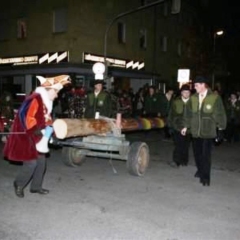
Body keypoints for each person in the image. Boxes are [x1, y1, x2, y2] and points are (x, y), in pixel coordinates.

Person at [3, 75, 71, 198]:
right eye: (56, 92)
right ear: (49, 89)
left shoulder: (46, 102)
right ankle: (19, 183)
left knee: (41, 163)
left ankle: (36, 187)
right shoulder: (35, 99)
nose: (56, 96)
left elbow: (48, 121)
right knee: (31, 163)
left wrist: (52, 135)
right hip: (27, 138)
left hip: (38, 138)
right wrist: (39, 131)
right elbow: (28, 119)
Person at [181, 76, 226, 186]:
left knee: (206, 155)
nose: (194, 88)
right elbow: (188, 114)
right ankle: (200, 170)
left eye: (196, 85)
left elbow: (220, 114)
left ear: (203, 85)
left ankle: (205, 177)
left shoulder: (214, 98)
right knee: (197, 154)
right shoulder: (193, 98)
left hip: (208, 131)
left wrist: (221, 129)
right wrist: (185, 126)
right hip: (195, 131)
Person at [168, 84, 191, 167]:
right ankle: (176, 161)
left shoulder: (193, 102)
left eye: (188, 92)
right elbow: (171, 114)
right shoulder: (176, 102)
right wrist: (170, 126)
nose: (186, 94)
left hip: (189, 128)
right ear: (181, 93)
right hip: (177, 127)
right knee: (178, 144)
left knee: (185, 145)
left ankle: (184, 160)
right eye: (184, 92)